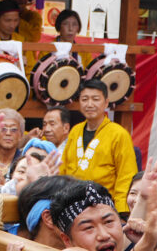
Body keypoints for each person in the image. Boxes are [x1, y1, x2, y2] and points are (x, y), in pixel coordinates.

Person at [59, 78, 138, 212]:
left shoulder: (119, 134)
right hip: (73, 205)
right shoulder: (75, 131)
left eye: (95, 99)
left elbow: (126, 177)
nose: (89, 104)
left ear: (106, 102)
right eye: (84, 99)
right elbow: (64, 168)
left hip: (104, 206)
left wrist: (122, 211)